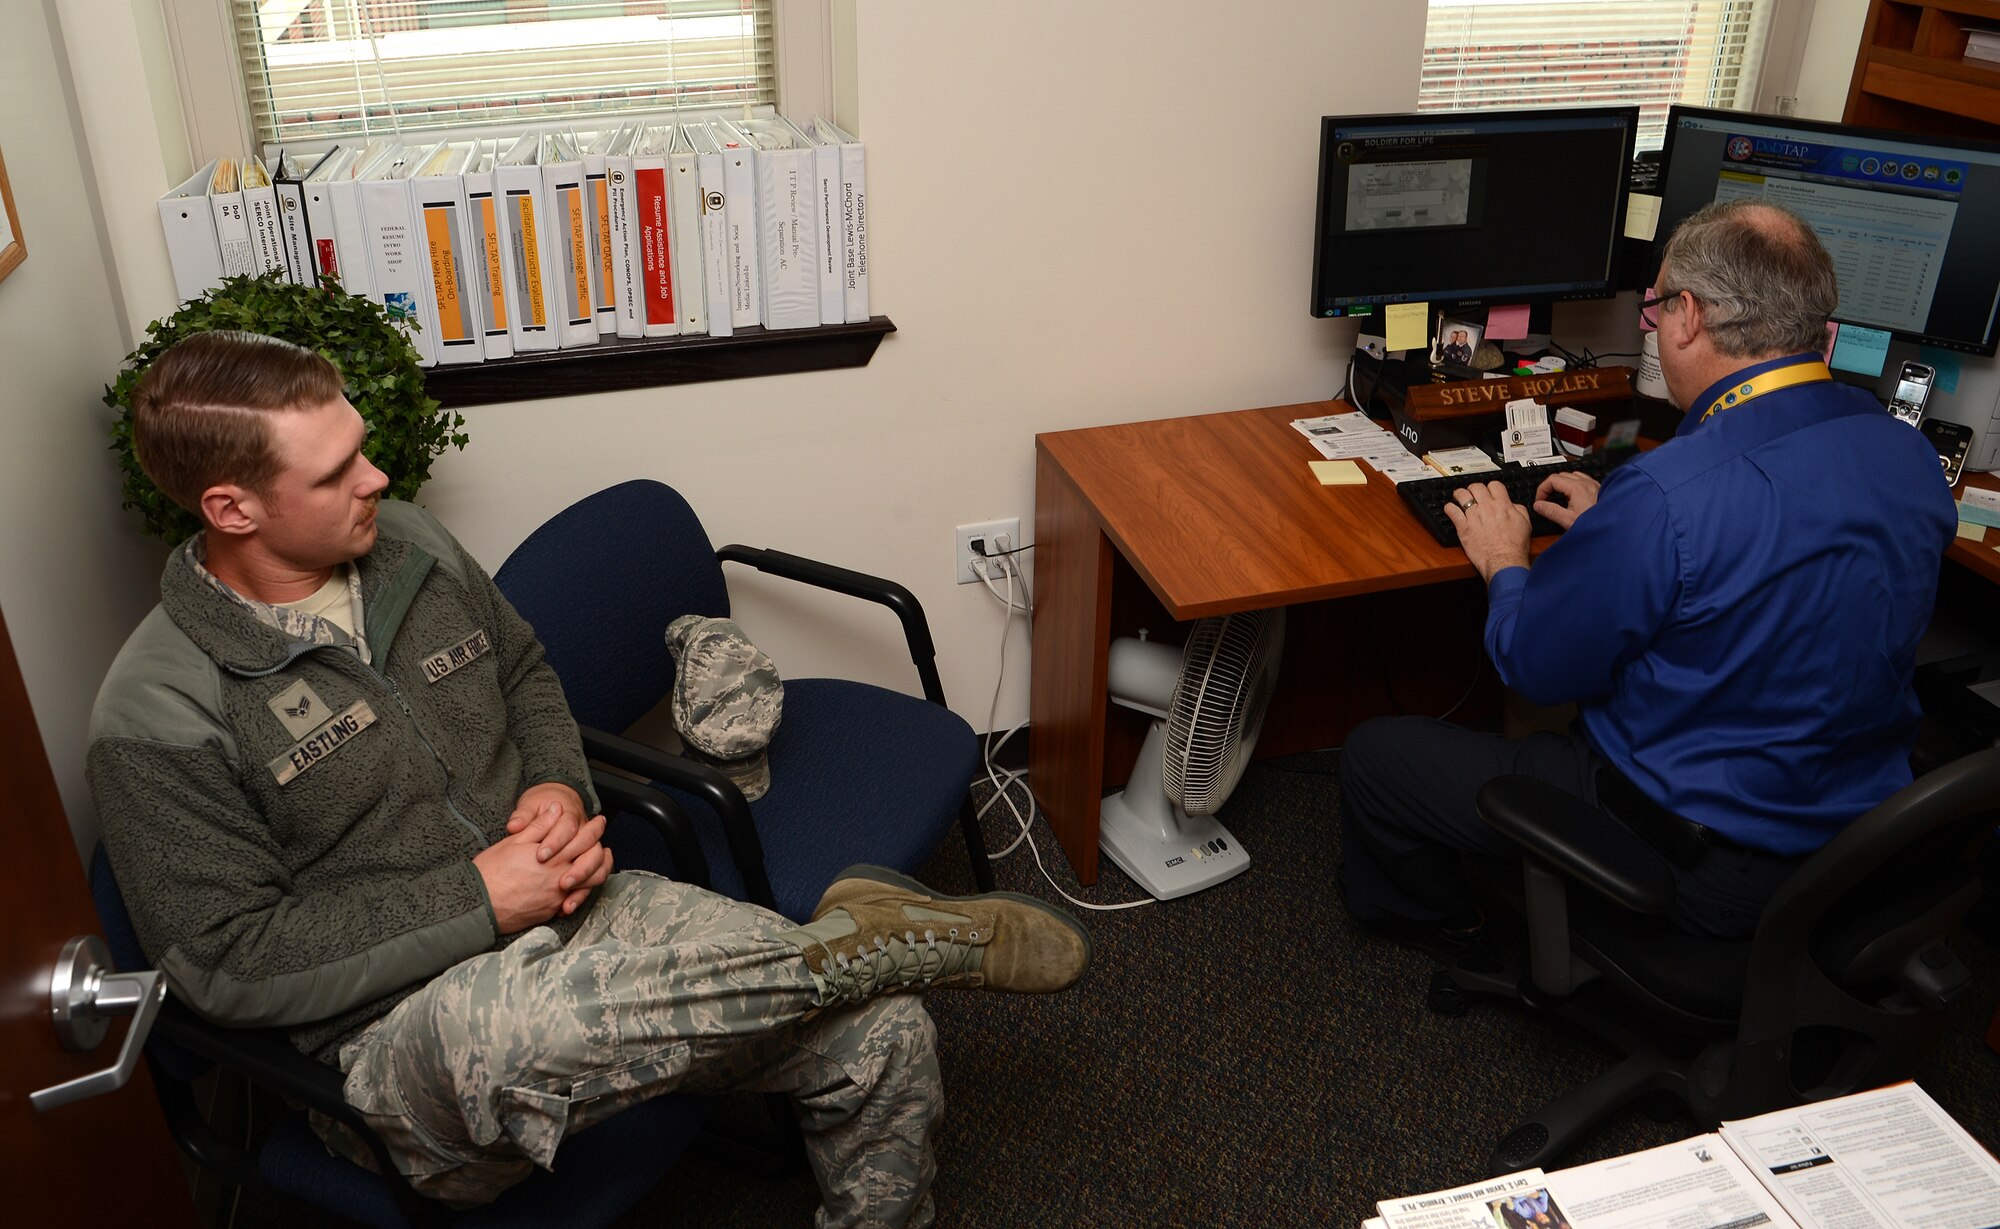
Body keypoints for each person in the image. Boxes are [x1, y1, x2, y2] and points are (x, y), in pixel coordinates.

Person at [86, 330, 1093, 1225]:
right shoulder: (160, 707)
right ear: (232, 506)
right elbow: (223, 958)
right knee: (532, 1024)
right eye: (338, 468)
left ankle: (856, 968)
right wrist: (479, 897)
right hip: (390, 1029)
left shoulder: (410, 550)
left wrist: (560, 788)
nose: (378, 476)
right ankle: (850, 946)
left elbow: (524, 675)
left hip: (573, 904)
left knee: (883, 1028)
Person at [1339, 199, 1957, 947]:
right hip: (1856, 853)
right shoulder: (1909, 456)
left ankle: (1455, 923)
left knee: (1375, 756)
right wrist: (1623, 531)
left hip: (1694, 862)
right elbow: (1782, 564)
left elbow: (1534, 664)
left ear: (1690, 316)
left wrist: (1505, 559)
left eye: (1656, 307)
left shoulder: (1670, 494)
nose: (1652, 326)